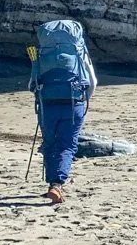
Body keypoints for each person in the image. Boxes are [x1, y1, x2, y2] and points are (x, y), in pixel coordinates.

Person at [28, 20, 98, 204]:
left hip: (47, 104)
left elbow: (32, 83)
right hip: (73, 103)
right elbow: (92, 82)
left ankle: (52, 183)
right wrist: (83, 100)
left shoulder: (43, 54)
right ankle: (57, 185)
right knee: (67, 145)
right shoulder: (79, 53)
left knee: (50, 143)